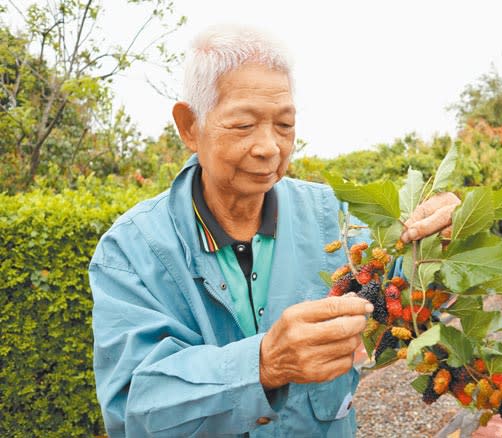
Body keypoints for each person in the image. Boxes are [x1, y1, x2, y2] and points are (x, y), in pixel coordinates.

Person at [90, 24, 460, 437]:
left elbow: (405, 300)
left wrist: (441, 247)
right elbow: (132, 407)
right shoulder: (130, 252)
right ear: (189, 125)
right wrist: (265, 364)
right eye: (244, 125)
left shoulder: (336, 221)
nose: (269, 147)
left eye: (284, 125)